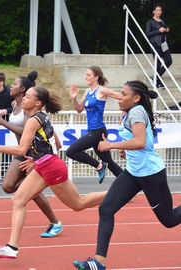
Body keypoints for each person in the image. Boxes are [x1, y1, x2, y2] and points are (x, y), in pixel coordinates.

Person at [0, 86, 107, 259]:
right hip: (45, 165)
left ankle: (116, 194)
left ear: (37, 103)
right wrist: (38, 159)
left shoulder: (33, 121)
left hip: (52, 167)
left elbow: (21, 149)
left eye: (28, 96)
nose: (23, 98)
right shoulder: (42, 117)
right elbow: (57, 145)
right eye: (24, 96)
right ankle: (12, 247)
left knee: (78, 204)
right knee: (18, 200)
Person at [72, 80, 181, 270]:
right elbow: (137, 142)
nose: (119, 97)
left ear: (136, 98)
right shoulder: (130, 112)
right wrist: (126, 151)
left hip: (150, 174)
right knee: (106, 209)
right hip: (133, 172)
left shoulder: (137, 111)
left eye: (124, 94)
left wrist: (112, 145)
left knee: (169, 220)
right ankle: (98, 262)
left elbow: (140, 141)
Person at [0, 71, 63, 237]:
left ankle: (55, 222)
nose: (11, 86)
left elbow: (26, 130)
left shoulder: (28, 108)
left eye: (14, 84)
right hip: (24, 152)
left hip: (33, 155)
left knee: (75, 203)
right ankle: (37, 194)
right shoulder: (16, 105)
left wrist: (4, 123)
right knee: (8, 186)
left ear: (22, 89)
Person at [66, 66, 122, 184]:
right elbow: (79, 109)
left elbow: (121, 97)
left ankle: (99, 166)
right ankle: (129, 183)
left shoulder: (102, 90)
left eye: (88, 75)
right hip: (93, 131)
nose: (86, 77)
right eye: (86, 75)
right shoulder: (87, 92)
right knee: (110, 163)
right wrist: (74, 98)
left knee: (71, 151)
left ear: (96, 77)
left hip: (98, 132)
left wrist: (124, 113)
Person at [146, 4, 172, 89]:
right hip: (155, 44)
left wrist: (166, 30)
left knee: (169, 61)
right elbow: (148, 34)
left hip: (163, 44)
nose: (158, 12)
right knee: (158, 63)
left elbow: (163, 31)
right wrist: (158, 31)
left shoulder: (162, 21)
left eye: (160, 10)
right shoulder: (150, 21)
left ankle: (155, 78)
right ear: (153, 11)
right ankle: (158, 82)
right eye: (157, 10)